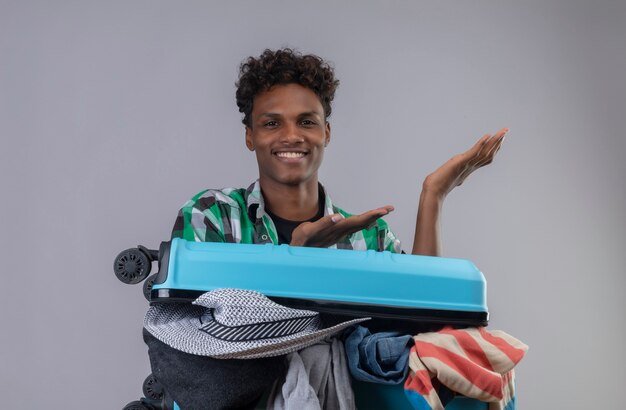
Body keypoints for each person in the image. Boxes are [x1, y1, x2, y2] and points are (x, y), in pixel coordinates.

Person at [146, 48, 508, 409]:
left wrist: (434, 195)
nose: (292, 136)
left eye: (307, 121)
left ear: (326, 132)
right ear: (250, 136)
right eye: (272, 123)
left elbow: (424, 329)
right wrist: (295, 257)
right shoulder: (213, 215)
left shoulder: (369, 237)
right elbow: (187, 337)